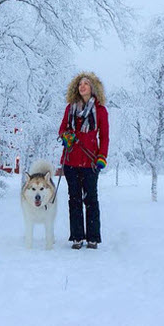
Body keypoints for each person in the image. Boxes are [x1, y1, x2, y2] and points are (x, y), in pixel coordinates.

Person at [58, 72, 109, 249]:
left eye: (86, 83)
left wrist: (102, 156)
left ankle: (93, 237)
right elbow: (62, 129)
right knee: (74, 199)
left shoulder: (101, 110)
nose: (82, 86)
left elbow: (105, 137)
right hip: (70, 160)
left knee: (91, 199)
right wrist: (66, 137)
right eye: (80, 83)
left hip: (90, 162)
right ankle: (77, 237)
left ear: (93, 87)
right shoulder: (70, 108)